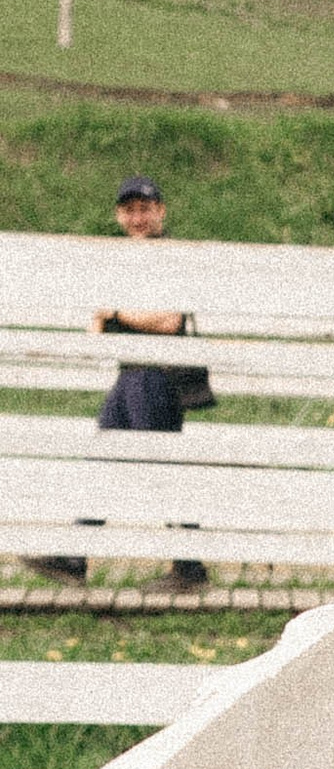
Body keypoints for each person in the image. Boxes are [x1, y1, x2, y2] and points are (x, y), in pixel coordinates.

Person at [36, 176, 212, 585]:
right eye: (130, 210)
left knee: (159, 469)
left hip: (156, 375)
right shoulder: (119, 261)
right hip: (130, 375)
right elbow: (97, 324)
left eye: (145, 209)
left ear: (160, 212)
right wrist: (112, 314)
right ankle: (74, 556)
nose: (137, 217)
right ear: (119, 215)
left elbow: (168, 321)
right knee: (103, 461)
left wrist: (116, 313)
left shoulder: (170, 257)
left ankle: (189, 566)